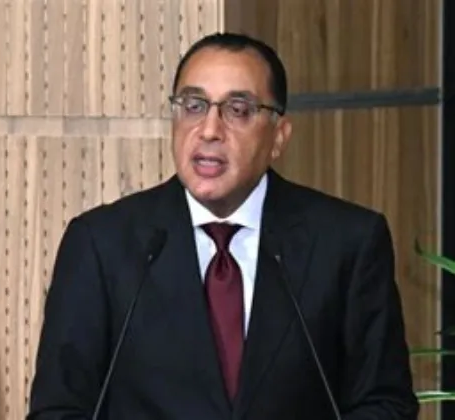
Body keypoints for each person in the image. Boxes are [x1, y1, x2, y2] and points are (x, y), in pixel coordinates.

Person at [27, 32, 419, 419]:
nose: (210, 130)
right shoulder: (102, 244)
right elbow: (59, 410)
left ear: (278, 137)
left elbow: (386, 404)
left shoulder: (347, 243)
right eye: (194, 106)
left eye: (238, 109)